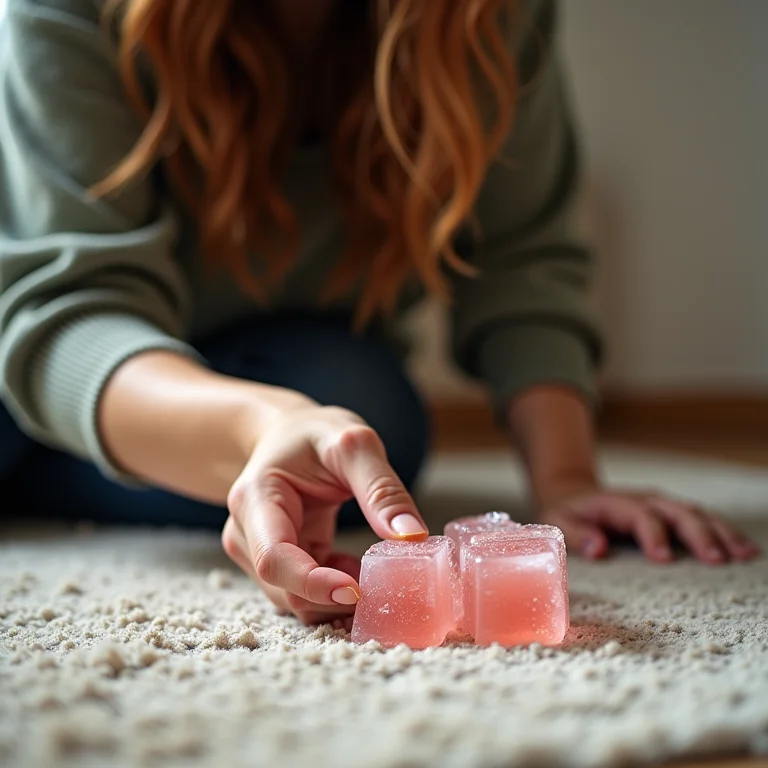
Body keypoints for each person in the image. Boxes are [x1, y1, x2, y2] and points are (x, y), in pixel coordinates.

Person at [0, 0, 758, 627]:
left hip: (263, 353)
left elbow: (524, 258)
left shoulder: (490, 16)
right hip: (42, 328)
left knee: (367, 416)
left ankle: (82, 445)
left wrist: (566, 476)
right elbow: (71, 312)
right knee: (328, 448)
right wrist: (262, 429)